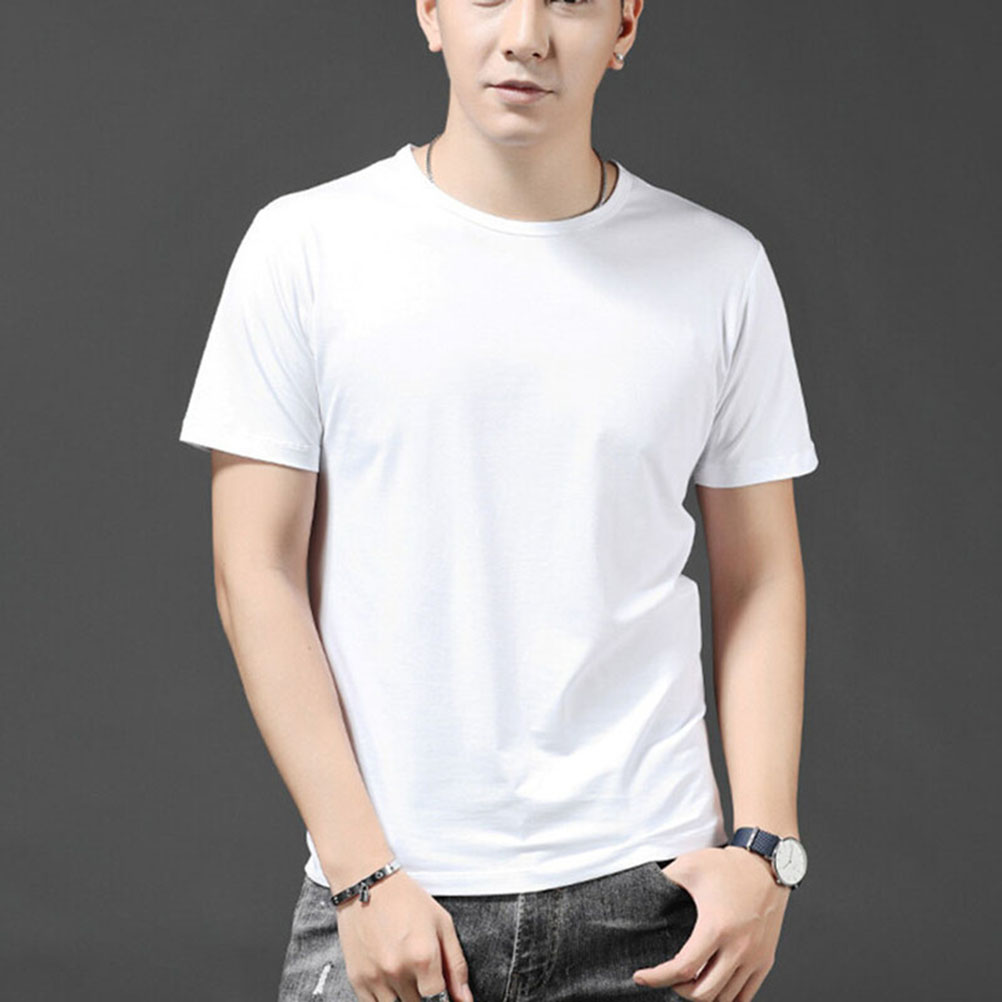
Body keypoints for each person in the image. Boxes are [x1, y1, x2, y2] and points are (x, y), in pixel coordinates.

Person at [178, 1, 819, 1000]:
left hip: (654, 898)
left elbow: (763, 573)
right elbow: (253, 572)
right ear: (430, 12)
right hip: (396, 896)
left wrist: (767, 850)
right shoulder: (304, 247)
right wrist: (362, 875)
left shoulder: (719, 269)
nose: (525, 33)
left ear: (626, 24)